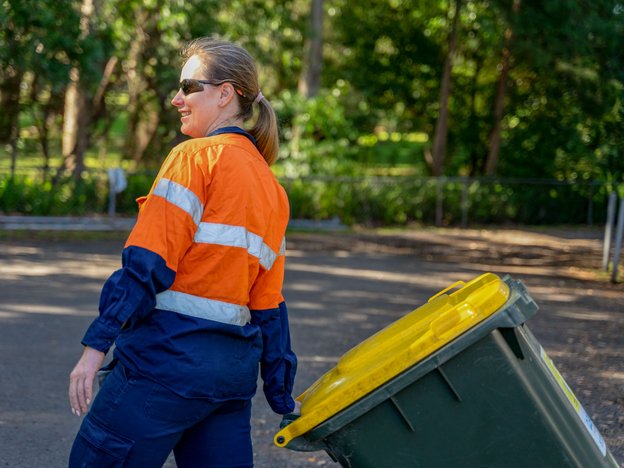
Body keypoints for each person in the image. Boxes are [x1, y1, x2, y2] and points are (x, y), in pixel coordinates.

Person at [68, 37, 298, 468]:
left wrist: (95, 347)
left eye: (189, 87)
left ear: (225, 94)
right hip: (228, 380)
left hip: (165, 368)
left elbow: (146, 264)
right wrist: (280, 388)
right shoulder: (273, 189)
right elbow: (268, 303)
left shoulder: (194, 158)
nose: (177, 99)